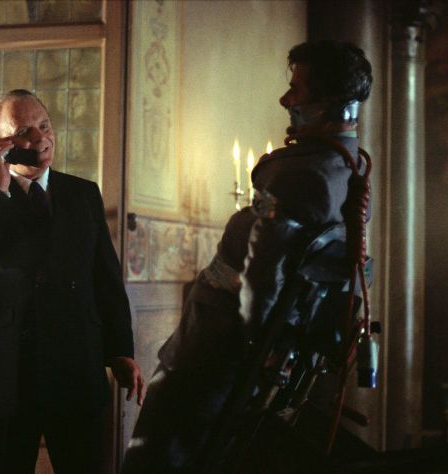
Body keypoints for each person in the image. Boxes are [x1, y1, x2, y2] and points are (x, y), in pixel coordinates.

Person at [121, 40, 373, 474]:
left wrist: (256, 349)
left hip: (213, 352)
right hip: (236, 356)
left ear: (329, 103)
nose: (285, 100)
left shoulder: (301, 173)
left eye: (297, 89)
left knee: (152, 458)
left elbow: (262, 278)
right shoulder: (347, 167)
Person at [0, 89, 144, 474]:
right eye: (24, 131)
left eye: (45, 126)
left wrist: (120, 350)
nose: (41, 139)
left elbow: (104, 277)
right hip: (6, 372)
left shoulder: (83, 193)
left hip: (76, 365)